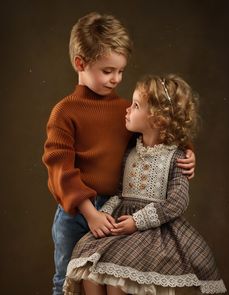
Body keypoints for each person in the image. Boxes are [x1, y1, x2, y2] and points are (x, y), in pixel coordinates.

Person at [42, 12, 196, 295]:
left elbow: (158, 135)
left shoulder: (127, 112)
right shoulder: (65, 112)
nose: (116, 79)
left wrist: (187, 154)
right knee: (68, 278)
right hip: (76, 212)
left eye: (121, 71)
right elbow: (60, 169)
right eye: (107, 71)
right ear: (81, 63)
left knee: (112, 281)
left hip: (118, 210)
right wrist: (89, 213)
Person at [63, 74, 227, 295]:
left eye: (136, 105)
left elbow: (177, 202)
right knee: (89, 270)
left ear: (157, 120)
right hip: (121, 222)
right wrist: (107, 213)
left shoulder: (175, 157)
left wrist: (137, 222)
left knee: (117, 280)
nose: (127, 109)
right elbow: (121, 192)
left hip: (153, 230)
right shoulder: (130, 151)